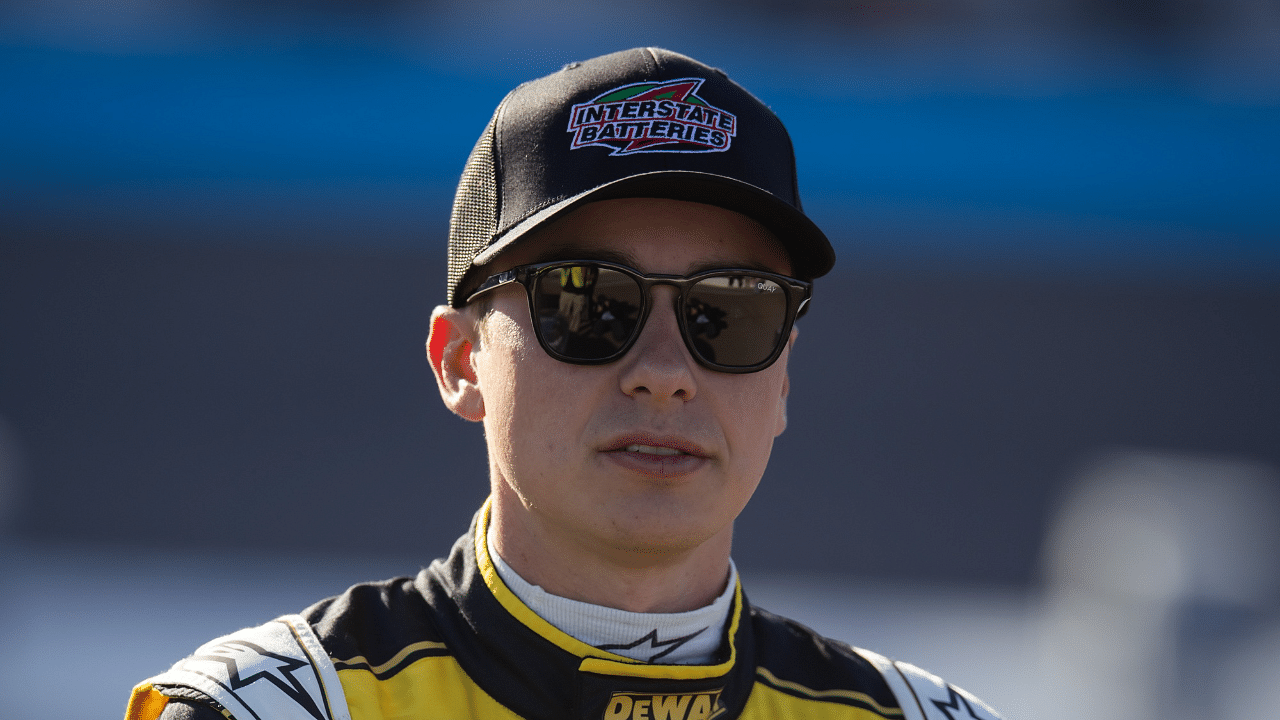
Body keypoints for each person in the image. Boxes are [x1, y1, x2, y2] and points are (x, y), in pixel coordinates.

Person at [125, 47, 1004, 720]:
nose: (664, 374)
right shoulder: (268, 707)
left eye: (729, 313)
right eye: (588, 304)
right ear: (460, 361)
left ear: (783, 382)